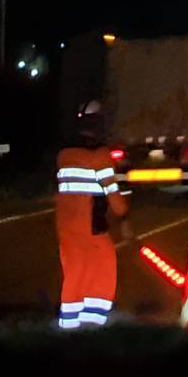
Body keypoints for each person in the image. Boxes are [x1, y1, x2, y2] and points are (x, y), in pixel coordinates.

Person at [55, 99, 128, 329]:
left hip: (66, 227)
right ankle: (93, 324)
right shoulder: (100, 156)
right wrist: (124, 216)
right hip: (91, 227)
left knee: (74, 273)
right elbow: (115, 200)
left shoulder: (63, 155)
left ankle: (69, 326)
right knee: (104, 268)